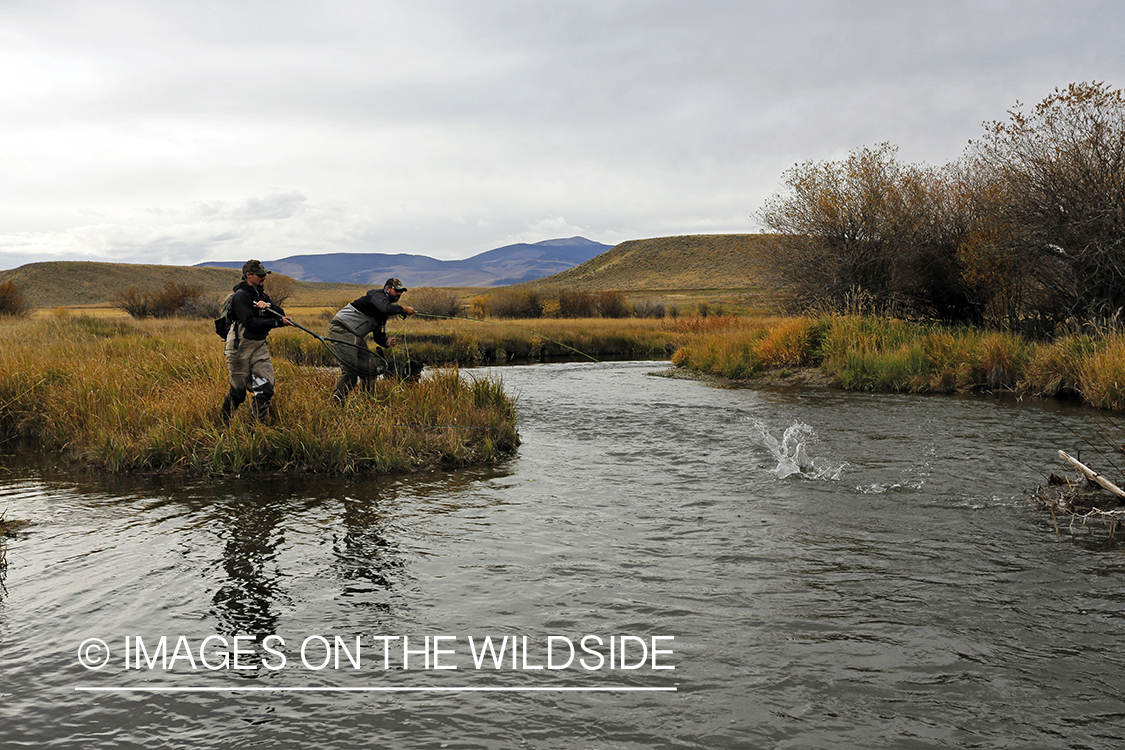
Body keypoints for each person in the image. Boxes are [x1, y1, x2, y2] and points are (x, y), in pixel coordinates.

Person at [221, 259, 294, 423]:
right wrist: (276, 323)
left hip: (259, 347)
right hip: (239, 348)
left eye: (264, 274)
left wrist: (268, 306)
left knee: (265, 389)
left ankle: (256, 428)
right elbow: (250, 323)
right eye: (260, 275)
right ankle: (222, 423)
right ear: (249, 275)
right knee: (238, 393)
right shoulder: (240, 297)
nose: (264, 278)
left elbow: (281, 313)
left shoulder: (262, 295)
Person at [329, 278, 417, 401]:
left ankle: (367, 402)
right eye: (397, 291)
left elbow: (378, 335)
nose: (399, 294)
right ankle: (336, 403)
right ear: (387, 289)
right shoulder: (376, 296)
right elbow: (385, 308)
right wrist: (403, 309)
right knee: (351, 370)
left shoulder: (382, 313)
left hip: (355, 336)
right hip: (341, 330)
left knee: (371, 369)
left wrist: (385, 342)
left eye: (401, 292)